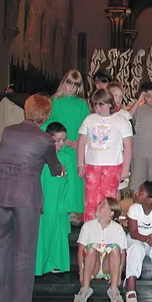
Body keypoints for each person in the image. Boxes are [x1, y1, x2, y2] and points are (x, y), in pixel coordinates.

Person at [0, 94, 64, 302]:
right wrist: (61, 170)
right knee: (24, 252)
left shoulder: (8, 131)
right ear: (45, 116)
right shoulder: (45, 139)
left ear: (26, 110)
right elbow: (54, 168)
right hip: (25, 198)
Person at [43, 69, 90, 225]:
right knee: (61, 179)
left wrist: (80, 142)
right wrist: (63, 140)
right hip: (59, 147)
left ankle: (73, 212)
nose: (72, 87)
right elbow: (48, 123)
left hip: (76, 148)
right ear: (64, 83)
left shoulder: (82, 104)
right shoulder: (54, 102)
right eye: (69, 83)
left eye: (75, 85)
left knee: (75, 181)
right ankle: (60, 210)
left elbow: (87, 125)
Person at [77, 88, 133, 221]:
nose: (98, 108)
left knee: (109, 200)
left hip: (112, 166)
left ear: (109, 104)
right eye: (95, 105)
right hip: (92, 166)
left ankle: (108, 227)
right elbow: (82, 142)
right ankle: (91, 227)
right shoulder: (89, 119)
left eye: (101, 105)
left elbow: (128, 146)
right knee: (91, 199)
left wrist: (125, 169)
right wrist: (80, 164)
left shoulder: (121, 120)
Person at [74, 197, 126, 302]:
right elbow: (80, 252)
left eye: (102, 206)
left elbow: (122, 254)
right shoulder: (87, 226)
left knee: (115, 248)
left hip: (109, 267)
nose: (98, 207)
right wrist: (81, 273)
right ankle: (85, 288)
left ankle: (113, 289)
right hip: (92, 267)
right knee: (92, 248)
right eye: (99, 204)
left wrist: (119, 276)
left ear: (111, 213)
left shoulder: (118, 229)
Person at [35, 122, 71, 276]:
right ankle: (41, 264)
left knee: (58, 231)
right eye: (57, 140)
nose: (61, 143)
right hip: (43, 200)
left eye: (63, 140)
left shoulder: (66, 158)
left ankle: (56, 262)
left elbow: (69, 184)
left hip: (59, 202)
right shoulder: (39, 157)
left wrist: (66, 204)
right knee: (43, 232)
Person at [125, 181, 152, 302]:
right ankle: (131, 289)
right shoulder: (133, 208)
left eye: (141, 192)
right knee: (136, 249)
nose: (137, 193)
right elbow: (133, 233)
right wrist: (146, 238)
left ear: (149, 200)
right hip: (136, 238)